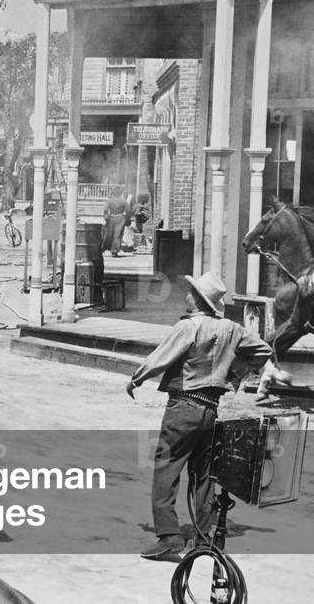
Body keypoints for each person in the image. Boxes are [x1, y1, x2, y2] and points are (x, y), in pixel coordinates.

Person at [126, 272, 283, 559]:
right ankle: (202, 537)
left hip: (183, 408)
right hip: (210, 410)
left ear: (197, 299)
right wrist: (234, 374)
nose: (186, 295)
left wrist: (136, 378)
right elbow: (263, 350)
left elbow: (161, 357)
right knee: (204, 474)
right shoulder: (231, 328)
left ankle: (169, 536)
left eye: (190, 292)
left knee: (167, 468)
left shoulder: (189, 326)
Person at [102, 187, 128, 257]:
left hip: (111, 218)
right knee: (118, 235)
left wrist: (106, 218)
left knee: (109, 234)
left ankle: (107, 248)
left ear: (113, 193)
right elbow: (128, 211)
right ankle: (114, 250)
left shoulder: (109, 201)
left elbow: (105, 210)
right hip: (120, 218)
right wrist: (127, 219)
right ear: (120, 194)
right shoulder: (124, 201)